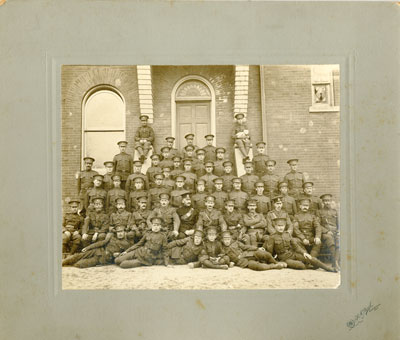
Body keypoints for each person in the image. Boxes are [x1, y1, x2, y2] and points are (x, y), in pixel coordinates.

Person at [264, 217, 334, 271]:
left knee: (311, 259)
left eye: (282, 226)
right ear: (275, 226)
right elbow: (269, 252)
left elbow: (296, 246)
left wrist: (304, 253)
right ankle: (306, 265)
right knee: (301, 266)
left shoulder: (287, 234)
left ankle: (328, 268)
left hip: (292, 254)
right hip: (284, 259)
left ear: (285, 226)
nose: (280, 228)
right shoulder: (272, 237)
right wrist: (276, 262)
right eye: (278, 226)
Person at [62, 226, 130, 268]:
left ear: (124, 232)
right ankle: (62, 263)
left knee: (79, 264)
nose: (120, 234)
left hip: (103, 258)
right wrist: (88, 248)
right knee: (78, 256)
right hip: (97, 250)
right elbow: (101, 243)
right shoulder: (112, 237)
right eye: (118, 232)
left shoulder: (126, 244)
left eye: (121, 232)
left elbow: (125, 256)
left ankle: (70, 263)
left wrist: (117, 255)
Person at [317, 194, 340, 271]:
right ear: (323, 202)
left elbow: (338, 224)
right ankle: (335, 262)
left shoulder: (335, 212)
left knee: (339, 241)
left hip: (335, 232)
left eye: (328, 201)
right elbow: (318, 225)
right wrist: (326, 231)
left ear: (331, 201)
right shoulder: (319, 212)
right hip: (325, 233)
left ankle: (335, 262)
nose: (327, 203)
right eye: (325, 201)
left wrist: (339, 231)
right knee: (330, 239)